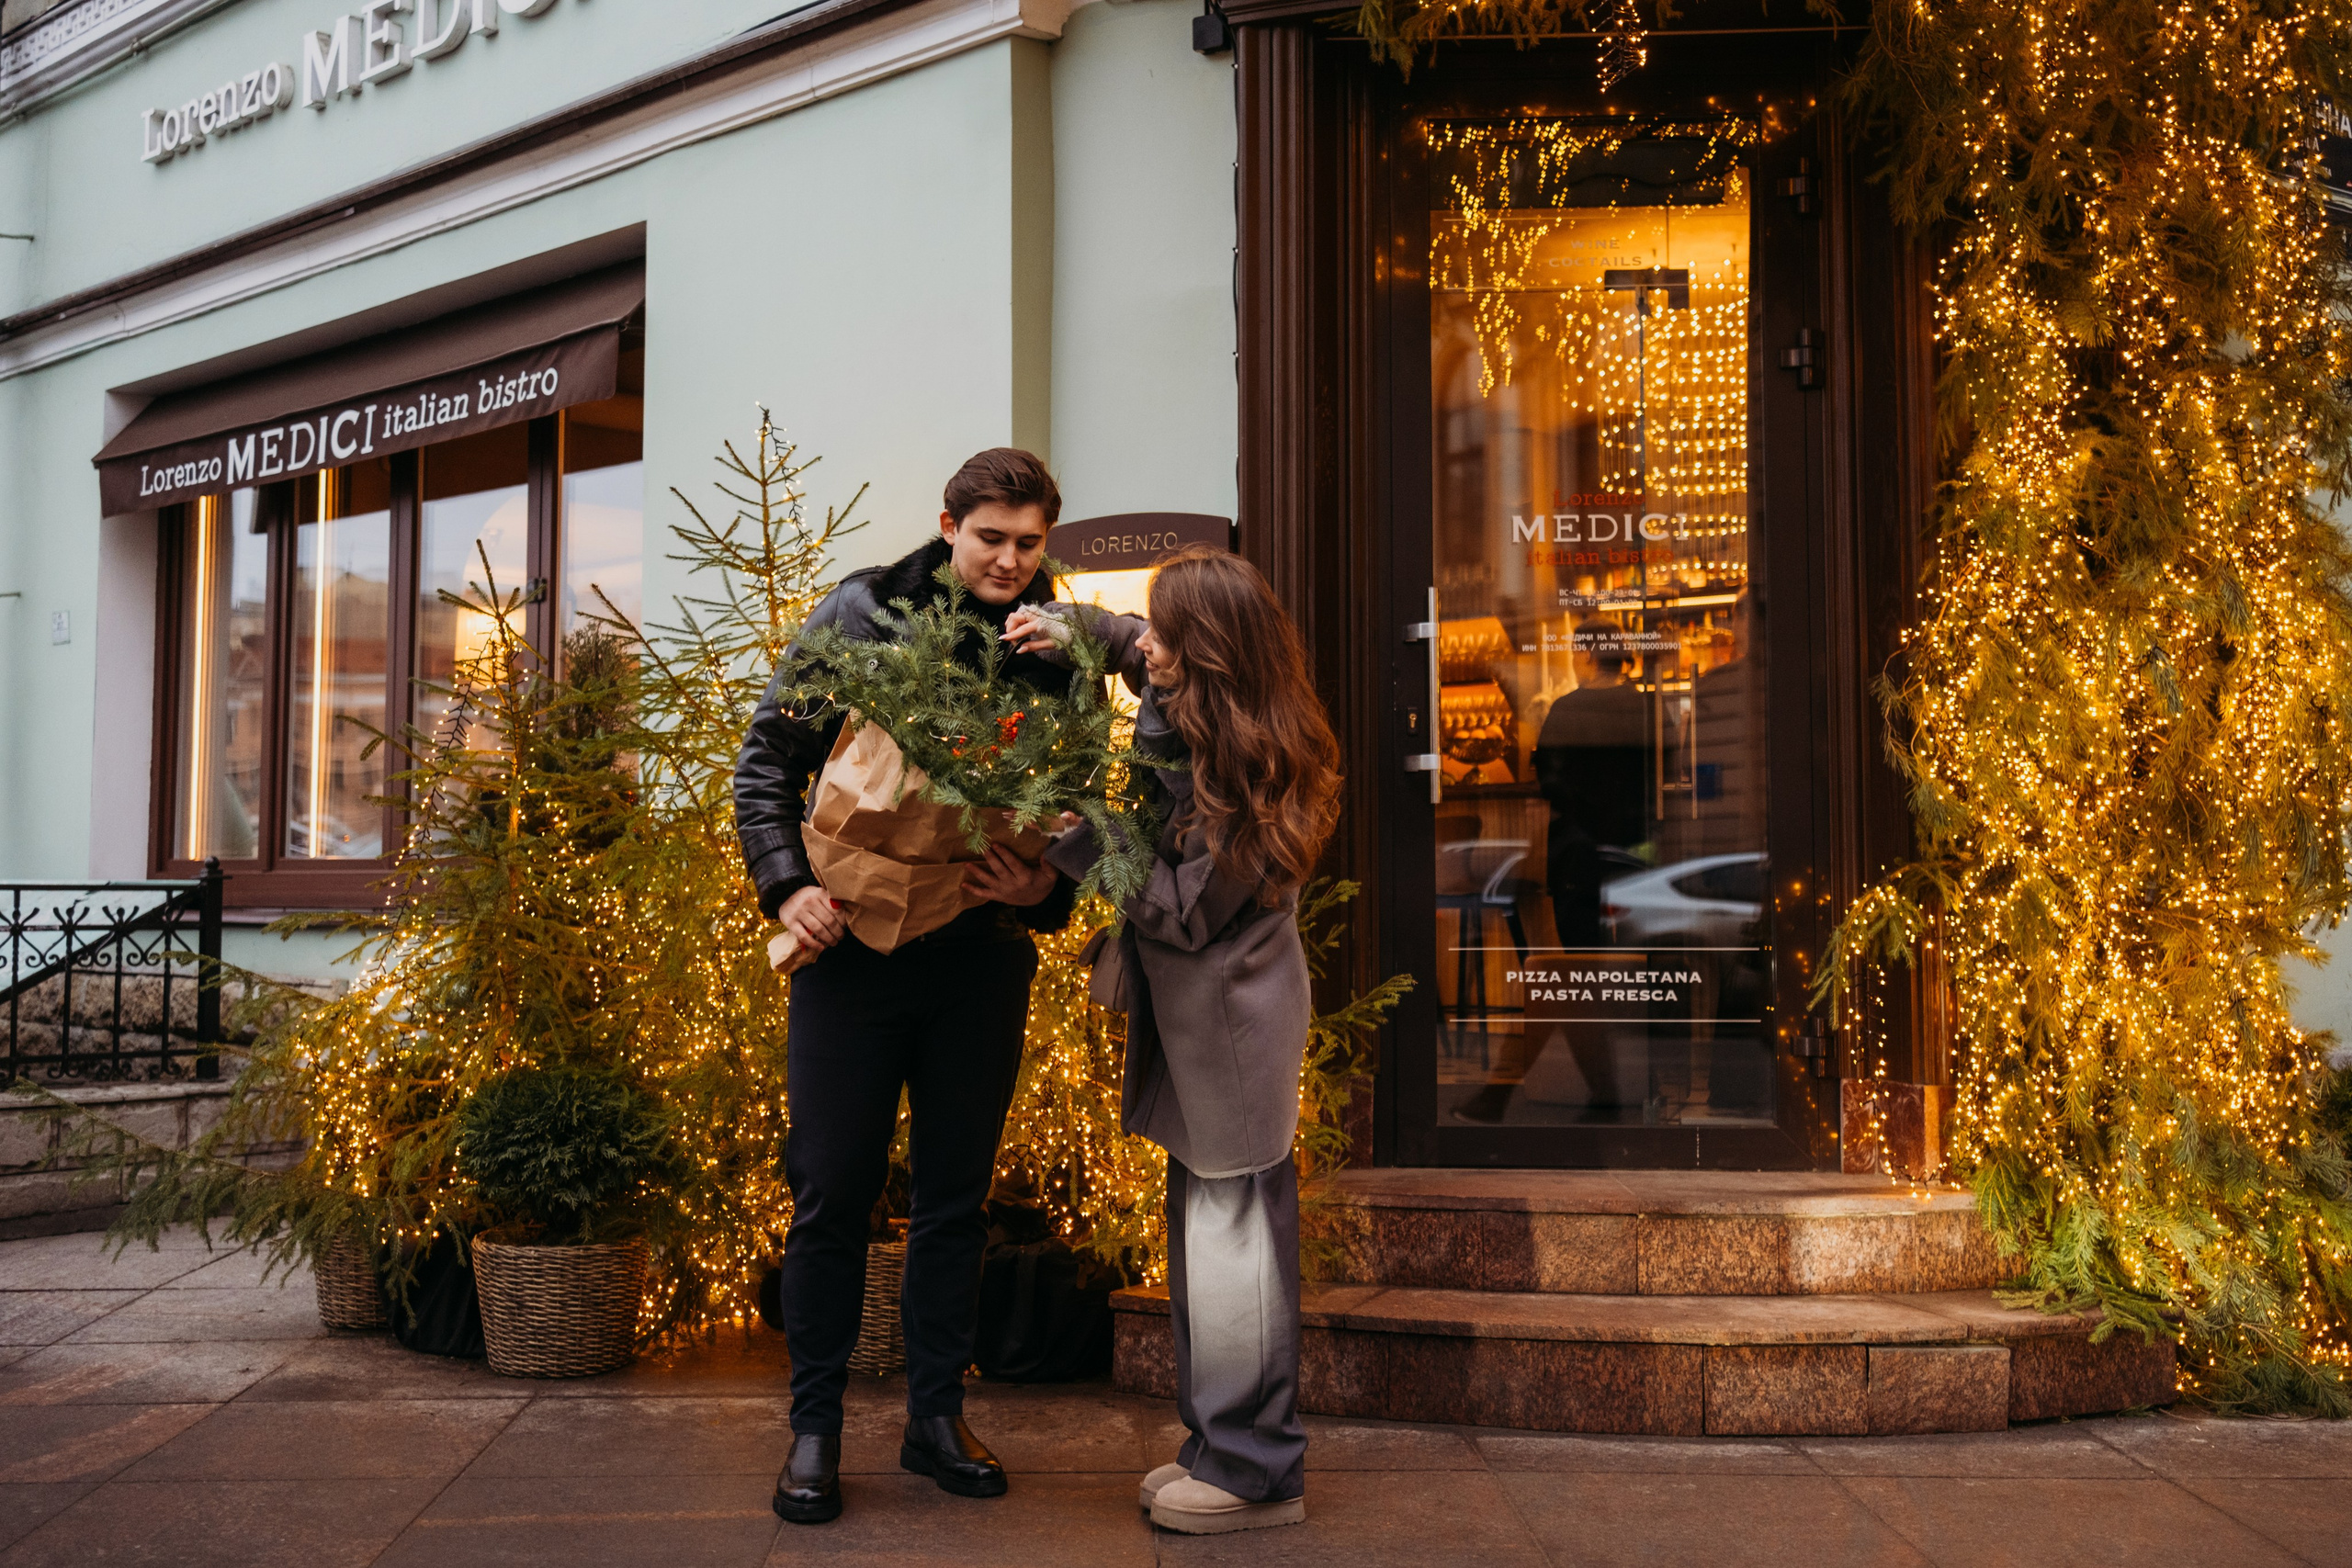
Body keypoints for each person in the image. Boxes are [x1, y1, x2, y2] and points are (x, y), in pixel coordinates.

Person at [733, 448, 1083, 1527]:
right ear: (948, 527)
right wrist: (786, 886)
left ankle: (935, 1418)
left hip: (978, 960)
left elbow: (1080, 809)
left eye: (1029, 544)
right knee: (833, 1195)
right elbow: (766, 763)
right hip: (850, 962)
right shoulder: (865, 612)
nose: (1011, 562)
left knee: (953, 1204)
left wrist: (1042, 887)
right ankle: (815, 1428)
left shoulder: (1056, 646)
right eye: (992, 539)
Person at [1012, 545, 1341, 1536]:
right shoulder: (1204, 704)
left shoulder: (1255, 771)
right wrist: (1087, 628)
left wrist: (1082, 835)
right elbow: (1130, 653)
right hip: (1201, 1029)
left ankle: (1253, 1469)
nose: (1144, 646)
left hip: (1232, 1037)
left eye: (1162, 633)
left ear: (1206, 656)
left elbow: (1180, 912)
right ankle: (1216, 1445)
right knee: (1205, 1244)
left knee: (1236, 1253)